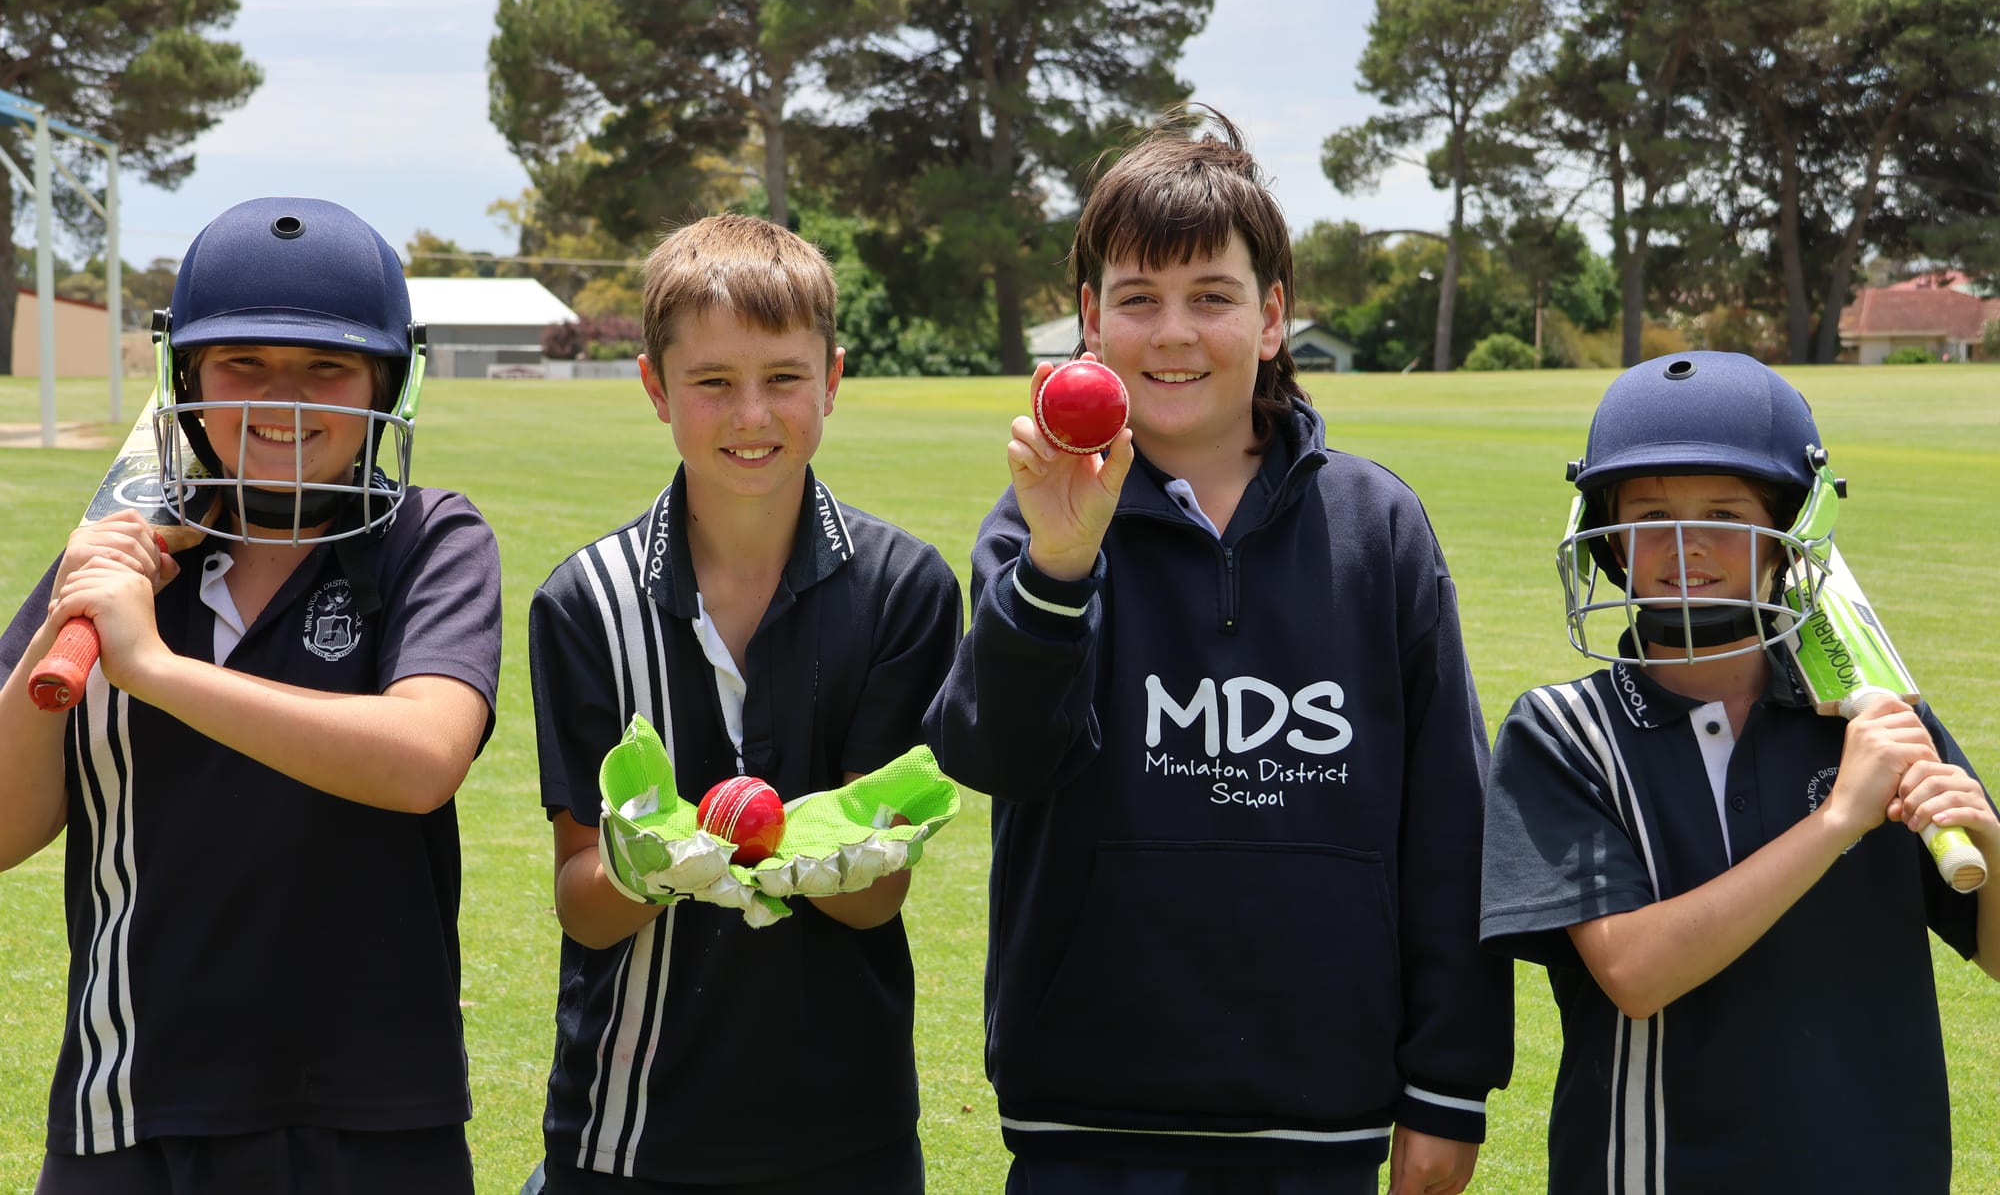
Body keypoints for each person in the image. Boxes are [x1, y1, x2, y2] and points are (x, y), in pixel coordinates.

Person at [923, 112, 1513, 1195]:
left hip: (1320, 1115)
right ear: (1090, 324)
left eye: (1211, 296)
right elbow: (992, 755)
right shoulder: (1035, 520)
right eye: (1137, 300)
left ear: (1273, 315)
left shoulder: (1375, 527)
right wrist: (1058, 567)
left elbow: (1448, 817)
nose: (1173, 333)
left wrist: (1448, 1081)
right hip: (1087, 1114)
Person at [0, 197, 502, 1193]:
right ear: (184, 376)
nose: (290, 399)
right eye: (245, 364)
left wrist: (158, 670)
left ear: (385, 381)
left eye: (328, 367)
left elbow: (420, 759)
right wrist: (68, 620)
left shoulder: (429, 543)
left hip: (373, 1114)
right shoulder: (116, 563)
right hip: (132, 1102)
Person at [1479, 351, 2000, 1193]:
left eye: (1723, 512)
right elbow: (1636, 973)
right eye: (1650, 514)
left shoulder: (1873, 718)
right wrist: (1836, 819)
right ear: (1607, 538)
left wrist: (1985, 837)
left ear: (1793, 528)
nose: (1685, 544)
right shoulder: (1564, 732)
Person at [527, 213, 962, 1194]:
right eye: (712, 382)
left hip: (845, 1135)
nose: (750, 415)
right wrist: (649, 869)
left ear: (833, 379)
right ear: (653, 387)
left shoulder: (906, 589)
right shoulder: (582, 603)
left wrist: (764, 849)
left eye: (782, 378)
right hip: (627, 1133)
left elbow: (873, 896)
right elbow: (582, 906)